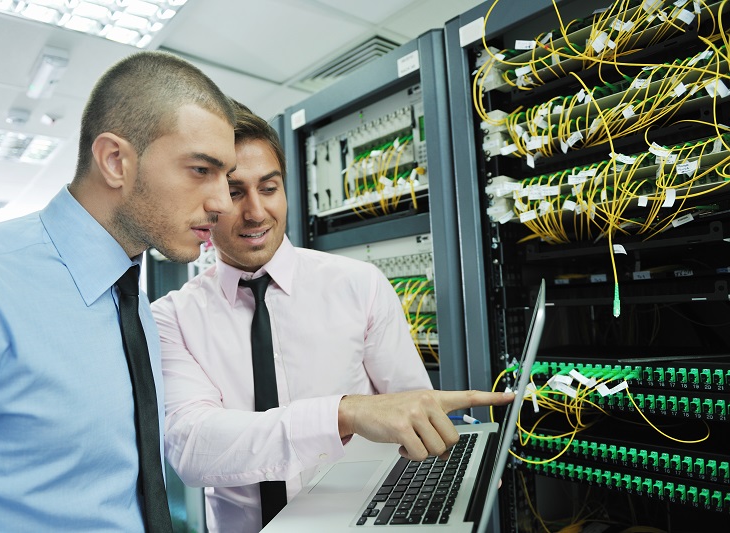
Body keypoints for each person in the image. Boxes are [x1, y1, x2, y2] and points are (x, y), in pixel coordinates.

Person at [151, 103, 515, 533]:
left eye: (269, 188)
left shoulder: (359, 284)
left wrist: (453, 458)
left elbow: (413, 409)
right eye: (234, 192)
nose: (256, 212)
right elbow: (193, 448)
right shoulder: (171, 317)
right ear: (207, 200)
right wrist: (343, 414)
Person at [0, 51, 237, 532]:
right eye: (201, 169)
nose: (223, 203)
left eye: (225, 177)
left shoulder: (132, 302)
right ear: (115, 161)